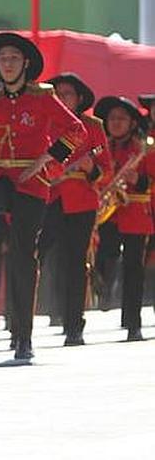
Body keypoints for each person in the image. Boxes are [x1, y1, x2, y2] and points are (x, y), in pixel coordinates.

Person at [0, 32, 87, 361]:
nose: (7, 64)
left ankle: (23, 336)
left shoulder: (42, 96)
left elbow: (75, 130)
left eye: (13, 58)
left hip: (30, 181)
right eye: (2, 59)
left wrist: (47, 158)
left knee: (24, 257)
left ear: (25, 63)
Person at [40, 74, 111, 345]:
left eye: (67, 93)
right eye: (56, 93)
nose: (61, 98)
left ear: (80, 98)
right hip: (48, 197)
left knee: (75, 263)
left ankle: (73, 325)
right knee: (34, 254)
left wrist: (90, 167)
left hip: (81, 201)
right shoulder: (45, 123)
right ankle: (20, 323)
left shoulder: (92, 126)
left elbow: (106, 169)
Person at [92, 96, 154, 342]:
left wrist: (137, 180)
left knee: (133, 268)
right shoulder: (101, 148)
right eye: (112, 119)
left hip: (136, 214)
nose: (116, 123)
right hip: (108, 212)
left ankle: (132, 323)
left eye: (122, 119)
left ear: (131, 123)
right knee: (104, 256)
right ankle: (104, 290)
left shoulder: (144, 148)